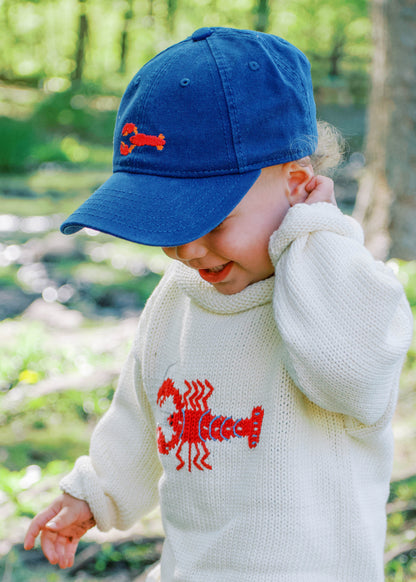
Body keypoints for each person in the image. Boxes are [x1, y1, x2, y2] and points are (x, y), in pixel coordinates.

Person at [24, 27, 413, 581]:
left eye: (209, 220)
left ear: (297, 183)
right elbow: (141, 410)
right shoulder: (179, 299)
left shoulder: (345, 291)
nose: (187, 248)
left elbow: (354, 373)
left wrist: (314, 236)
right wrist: (96, 493)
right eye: (166, 224)